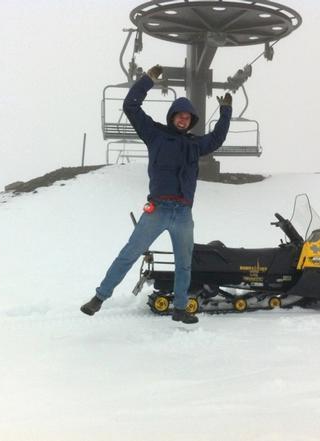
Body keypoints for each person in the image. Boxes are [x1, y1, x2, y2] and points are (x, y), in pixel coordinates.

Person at [80, 65, 232, 324]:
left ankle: (181, 308)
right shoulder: (155, 135)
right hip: (158, 209)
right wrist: (147, 80)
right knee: (129, 253)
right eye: (179, 116)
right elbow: (131, 107)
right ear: (172, 116)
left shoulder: (195, 145)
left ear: (191, 121)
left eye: (188, 117)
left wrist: (226, 111)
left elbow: (217, 138)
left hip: (183, 213)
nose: (183, 120)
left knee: (184, 263)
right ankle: (99, 298)